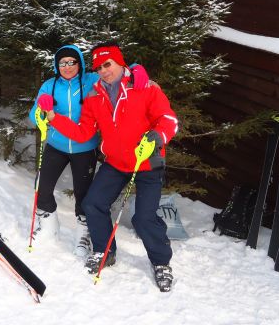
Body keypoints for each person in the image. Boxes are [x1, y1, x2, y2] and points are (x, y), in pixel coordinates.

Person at [38, 42, 178, 292]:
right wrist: (53, 118)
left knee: (143, 218)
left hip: (146, 162)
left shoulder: (144, 87)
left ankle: (161, 262)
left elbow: (168, 119)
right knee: (92, 204)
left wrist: (157, 137)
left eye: (107, 64)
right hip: (115, 163)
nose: (103, 70)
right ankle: (104, 251)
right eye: (99, 67)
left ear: (120, 63)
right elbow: (83, 133)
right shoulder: (94, 96)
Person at [29, 45, 149, 257]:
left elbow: (115, 73)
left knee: (83, 194)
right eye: (62, 63)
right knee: (42, 186)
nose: (67, 67)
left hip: (85, 148)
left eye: (71, 62)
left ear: (80, 64)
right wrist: (40, 112)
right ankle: (49, 227)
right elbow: (35, 114)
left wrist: (136, 69)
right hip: (57, 145)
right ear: (56, 66)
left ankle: (83, 234)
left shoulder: (91, 80)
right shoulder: (49, 85)